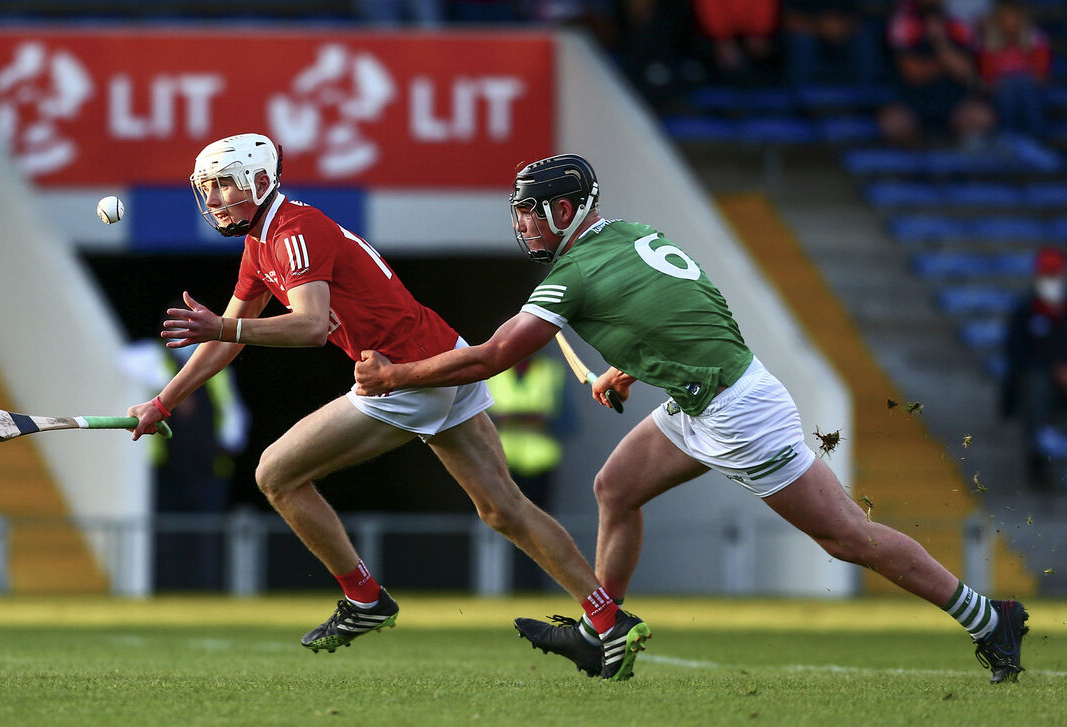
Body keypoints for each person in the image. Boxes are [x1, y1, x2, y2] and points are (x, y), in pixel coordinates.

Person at [354, 153, 1031, 684]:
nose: (523, 224)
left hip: (738, 412)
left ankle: (988, 617)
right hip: (710, 390)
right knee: (615, 488)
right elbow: (682, 310)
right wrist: (630, 366)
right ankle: (604, 634)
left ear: (566, 208)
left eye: (532, 212)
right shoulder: (629, 234)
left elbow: (493, 357)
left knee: (846, 537)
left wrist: (392, 376)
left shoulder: (571, 277)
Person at [126, 133, 649, 680]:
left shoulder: (293, 230)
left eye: (225, 184)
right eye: (207, 188)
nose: (214, 198)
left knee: (276, 474)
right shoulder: (261, 243)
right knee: (503, 508)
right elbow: (225, 342)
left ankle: (364, 597)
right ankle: (608, 619)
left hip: (405, 376)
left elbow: (306, 326)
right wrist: (165, 401)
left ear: (261, 181)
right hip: (442, 357)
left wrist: (225, 324)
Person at [123, 322, 250, 591]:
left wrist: (227, 444)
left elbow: (233, 415)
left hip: (207, 469)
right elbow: (125, 359)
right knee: (165, 537)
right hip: (167, 469)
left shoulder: (218, 366)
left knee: (206, 538)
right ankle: (165, 590)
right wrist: (174, 391)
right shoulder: (154, 358)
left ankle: (206, 591)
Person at [487, 352, 569, 590]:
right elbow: (480, 420)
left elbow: (566, 422)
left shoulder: (551, 373)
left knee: (541, 527)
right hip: (503, 464)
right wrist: (531, 417)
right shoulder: (492, 374)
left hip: (540, 463)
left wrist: (511, 417)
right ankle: (498, 587)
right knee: (502, 524)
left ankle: (535, 586)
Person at [878, 0, 995, 147]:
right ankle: (910, 164)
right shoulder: (904, 23)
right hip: (912, 102)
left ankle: (965, 162)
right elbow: (913, 73)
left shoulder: (958, 26)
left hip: (953, 101)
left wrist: (940, 42)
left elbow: (965, 72)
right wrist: (946, 65)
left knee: (981, 117)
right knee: (894, 124)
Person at [1000, 246, 1067, 491]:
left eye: (1055, 274)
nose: (1052, 280)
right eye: (1047, 274)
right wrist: (1054, 369)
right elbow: (1017, 352)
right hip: (1038, 384)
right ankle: (1039, 460)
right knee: (1035, 386)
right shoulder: (1025, 310)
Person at [977, 0, 1052, 138]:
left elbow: (1040, 76)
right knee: (1007, 90)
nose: (1009, 21)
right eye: (1005, 16)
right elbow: (987, 79)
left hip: (1027, 89)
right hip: (1001, 91)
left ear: (1021, 18)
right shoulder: (988, 42)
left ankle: (1033, 139)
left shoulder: (1036, 38)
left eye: (1013, 16)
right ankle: (1009, 139)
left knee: (1023, 87)